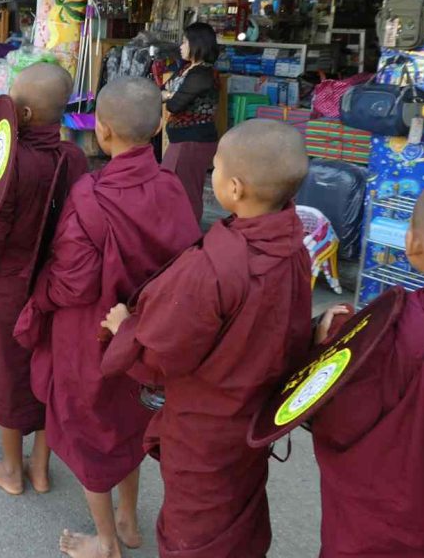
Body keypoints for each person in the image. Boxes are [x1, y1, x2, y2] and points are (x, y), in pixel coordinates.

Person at [102, 119, 312, 558]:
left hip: (206, 430)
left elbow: (161, 353)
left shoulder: (216, 268)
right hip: (253, 422)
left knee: (193, 534)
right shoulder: (293, 247)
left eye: (214, 168)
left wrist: (124, 327)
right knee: (237, 517)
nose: (210, 174)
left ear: (234, 188)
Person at [11, 77, 200, 555]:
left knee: (91, 431)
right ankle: (129, 521)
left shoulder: (92, 195)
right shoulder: (172, 187)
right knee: (128, 421)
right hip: (141, 330)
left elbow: (72, 281)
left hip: (91, 332)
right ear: (159, 126)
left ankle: (106, 541)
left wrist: (39, 296)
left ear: (102, 132)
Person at [0, 63, 88, 496]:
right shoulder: (74, 158)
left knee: (7, 372)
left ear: (21, 116)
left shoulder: (8, 164)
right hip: (55, 285)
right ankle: (40, 467)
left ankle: (11, 468)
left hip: (10, 285)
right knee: (44, 369)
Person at [309, 183, 424, 558]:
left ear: (412, 246)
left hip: (377, 527)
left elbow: (337, 420)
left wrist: (327, 344)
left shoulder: (384, 330)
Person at [161, 22, 220, 223]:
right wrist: (170, 94)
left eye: (185, 41)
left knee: (185, 193)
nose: (181, 46)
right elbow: (162, 90)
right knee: (171, 188)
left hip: (193, 141)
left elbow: (174, 105)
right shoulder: (186, 69)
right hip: (181, 140)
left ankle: (188, 237)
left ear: (197, 44)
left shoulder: (203, 74)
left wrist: (169, 95)